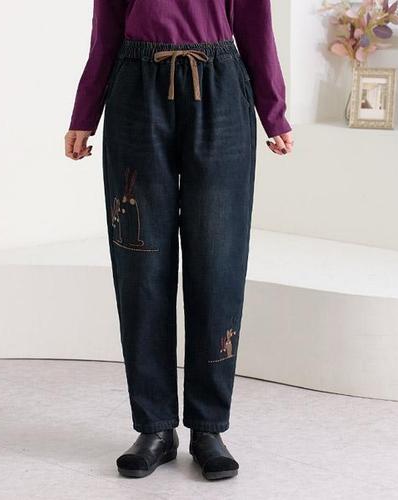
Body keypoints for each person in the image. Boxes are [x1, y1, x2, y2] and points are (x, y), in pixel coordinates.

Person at [65, 0, 293, 481]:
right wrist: (85, 113)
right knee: (140, 264)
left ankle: (208, 428)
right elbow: (105, 32)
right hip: (136, 88)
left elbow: (256, 27)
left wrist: (273, 112)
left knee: (218, 262)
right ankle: (154, 428)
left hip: (220, 87)